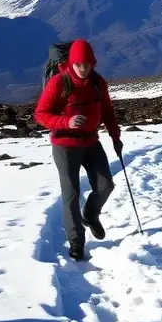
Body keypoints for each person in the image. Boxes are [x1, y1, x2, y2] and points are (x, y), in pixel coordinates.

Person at [34, 39, 123, 261]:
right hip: (65, 145)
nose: (83, 69)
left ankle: (91, 215)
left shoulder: (97, 81)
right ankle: (76, 241)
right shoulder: (58, 83)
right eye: (79, 64)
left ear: (93, 63)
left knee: (105, 185)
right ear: (72, 62)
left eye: (87, 64)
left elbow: (107, 110)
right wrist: (66, 122)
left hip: (91, 141)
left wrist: (115, 136)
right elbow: (40, 114)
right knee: (71, 195)